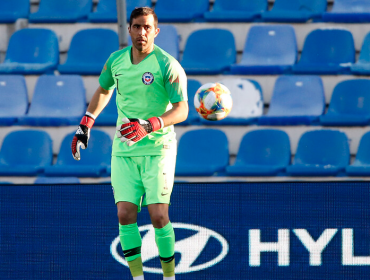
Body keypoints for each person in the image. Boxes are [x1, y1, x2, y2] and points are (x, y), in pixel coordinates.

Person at [70, 7, 188, 280]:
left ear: (156, 31)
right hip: (124, 149)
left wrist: (150, 125)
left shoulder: (168, 65)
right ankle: (138, 278)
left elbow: (182, 110)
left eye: (147, 27)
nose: (142, 32)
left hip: (158, 149)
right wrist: (85, 124)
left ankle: (169, 277)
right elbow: (103, 89)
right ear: (130, 30)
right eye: (137, 27)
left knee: (159, 216)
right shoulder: (116, 61)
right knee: (125, 214)